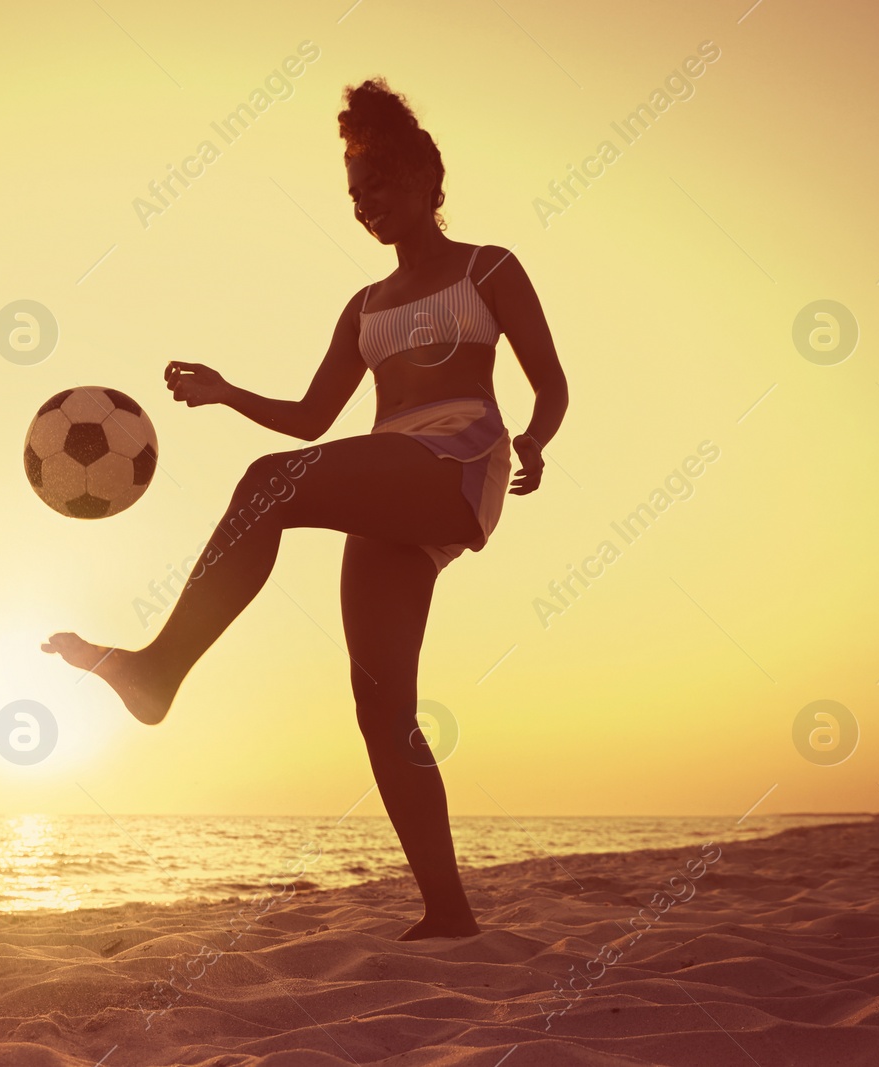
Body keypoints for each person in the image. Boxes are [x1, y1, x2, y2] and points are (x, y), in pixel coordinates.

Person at [44, 77, 568, 939]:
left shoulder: (489, 268)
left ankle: (157, 669)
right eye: (357, 196)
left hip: (455, 461)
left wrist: (540, 439)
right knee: (379, 707)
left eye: (384, 188)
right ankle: (448, 910)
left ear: (431, 183)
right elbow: (313, 418)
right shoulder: (363, 308)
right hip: (386, 482)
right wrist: (223, 391)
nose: (368, 207)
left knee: (266, 483)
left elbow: (550, 384)